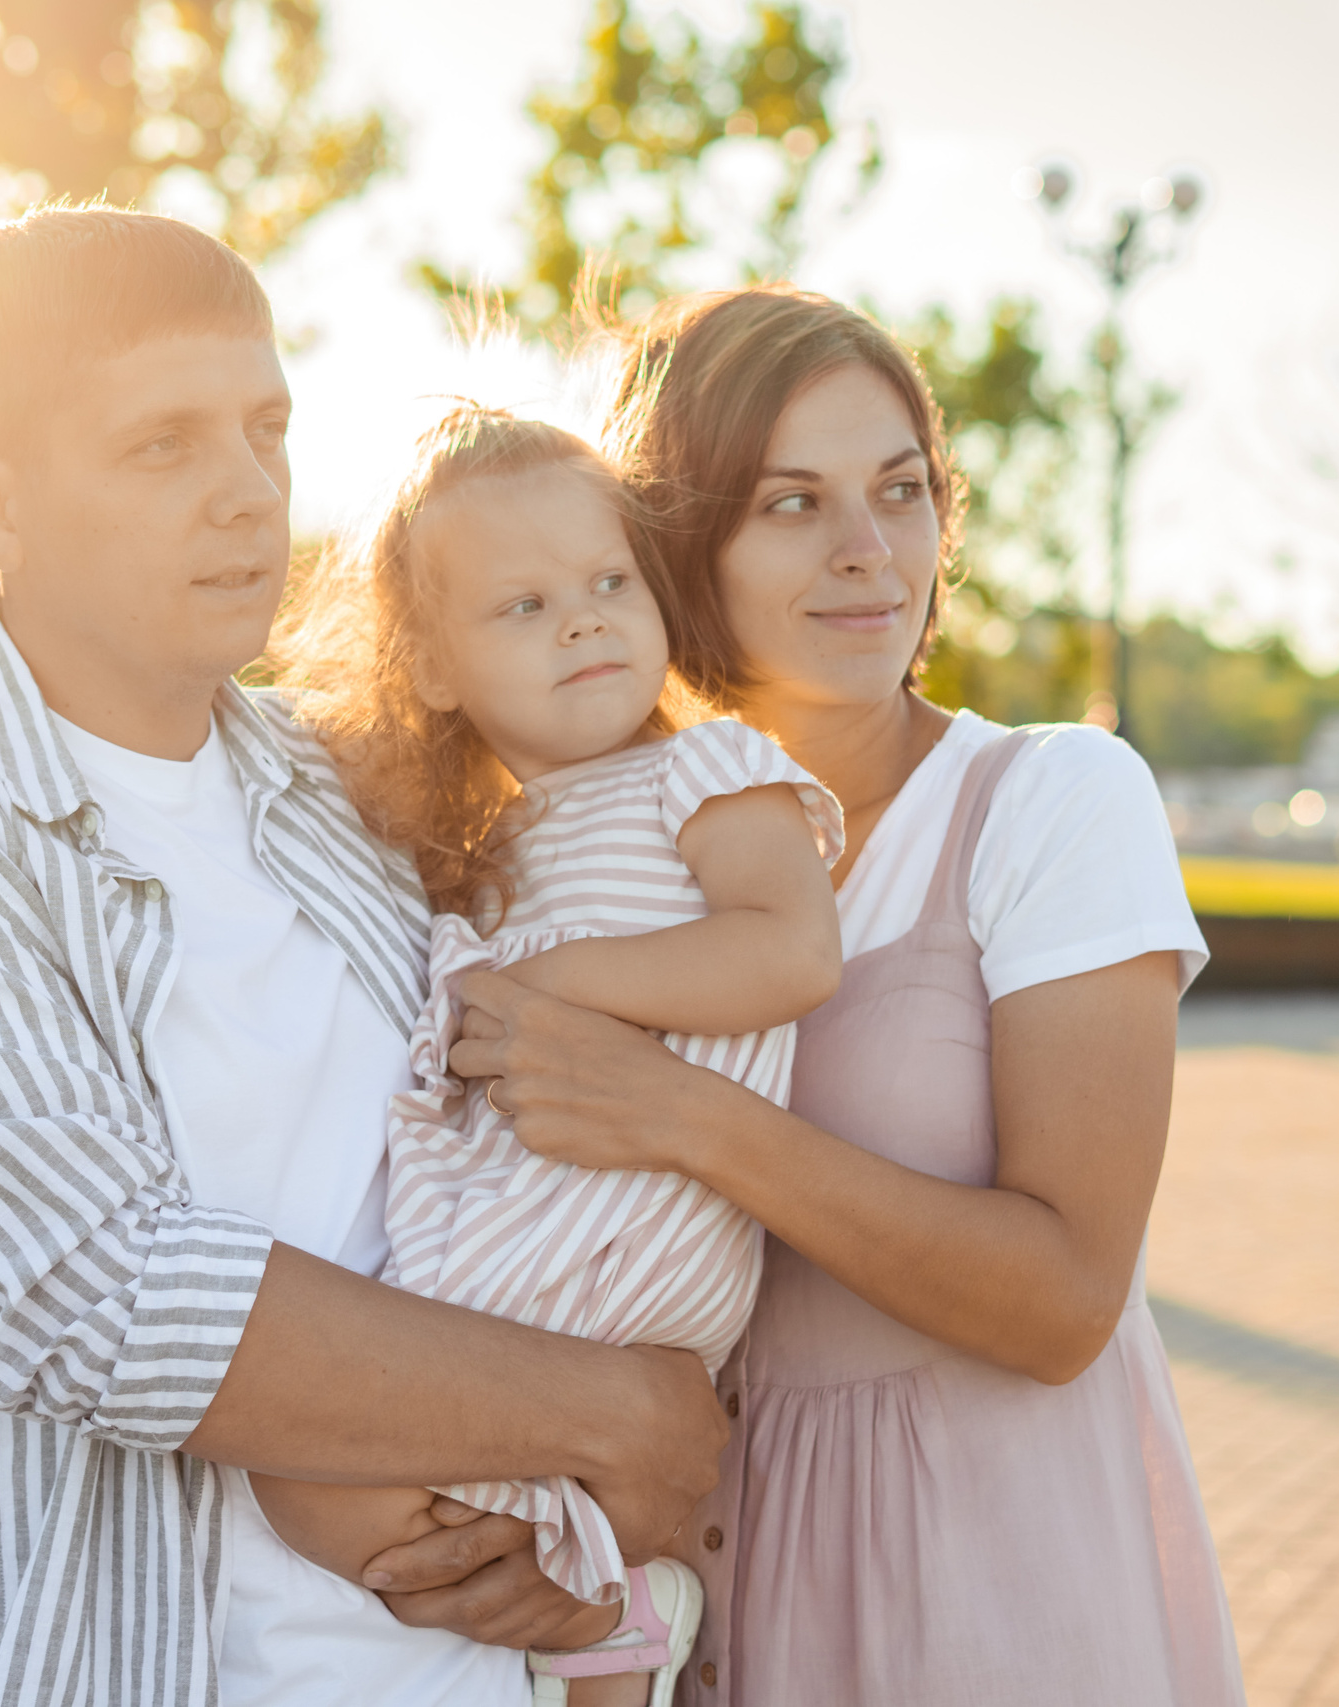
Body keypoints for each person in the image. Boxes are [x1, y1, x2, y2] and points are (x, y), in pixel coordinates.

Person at [0, 207, 725, 1707]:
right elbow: (109, 1297)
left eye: (267, 429)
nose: (250, 496)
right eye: (163, 447)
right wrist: (615, 1418)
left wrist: (573, 1500)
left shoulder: (354, 792)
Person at [441, 286, 1248, 1704]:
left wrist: (687, 1116)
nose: (871, 553)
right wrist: (532, 1506)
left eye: (901, 492)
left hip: (988, 1580)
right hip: (708, 1581)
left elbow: (1065, 1300)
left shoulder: (1046, 800)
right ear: (681, 543)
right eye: (792, 504)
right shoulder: (595, 851)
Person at [261, 406, 846, 1706]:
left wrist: (548, 990)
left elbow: (792, 952)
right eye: (523, 607)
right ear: (431, 668)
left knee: (320, 1458)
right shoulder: (489, 854)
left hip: (630, 1240)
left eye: (606, 584)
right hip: (516, 1246)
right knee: (303, 1470)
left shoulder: (710, 773)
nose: (583, 621)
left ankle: (604, 1609)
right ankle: (609, 1613)